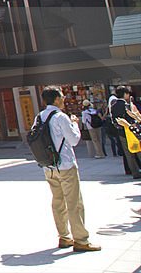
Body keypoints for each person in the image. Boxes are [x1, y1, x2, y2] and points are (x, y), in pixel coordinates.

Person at [37, 86, 101, 252]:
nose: (64, 99)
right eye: (62, 96)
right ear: (57, 99)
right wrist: (74, 124)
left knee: (58, 202)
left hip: (48, 166)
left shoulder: (39, 117)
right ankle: (81, 239)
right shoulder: (60, 116)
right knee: (74, 203)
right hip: (65, 164)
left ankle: (64, 237)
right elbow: (73, 140)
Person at [109, 87, 141, 178]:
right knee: (138, 150)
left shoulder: (114, 105)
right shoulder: (126, 105)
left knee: (128, 153)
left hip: (121, 132)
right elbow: (132, 118)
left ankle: (135, 173)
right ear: (125, 94)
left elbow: (114, 120)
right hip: (131, 131)